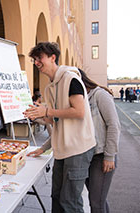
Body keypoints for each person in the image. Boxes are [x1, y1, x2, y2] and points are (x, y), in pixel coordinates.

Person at [24, 42, 96, 212]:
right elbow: (57, 121)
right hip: (62, 150)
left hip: (78, 149)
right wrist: (39, 115)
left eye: (39, 58)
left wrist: (47, 110)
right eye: (34, 60)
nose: (37, 63)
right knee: (56, 197)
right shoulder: (49, 88)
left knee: (70, 201)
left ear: (52, 57)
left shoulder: (71, 79)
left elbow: (79, 112)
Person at [79, 69, 120, 213]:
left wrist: (109, 156)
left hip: (102, 155)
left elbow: (114, 125)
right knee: (98, 199)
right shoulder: (80, 99)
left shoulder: (100, 95)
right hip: (87, 156)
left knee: (96, 203)